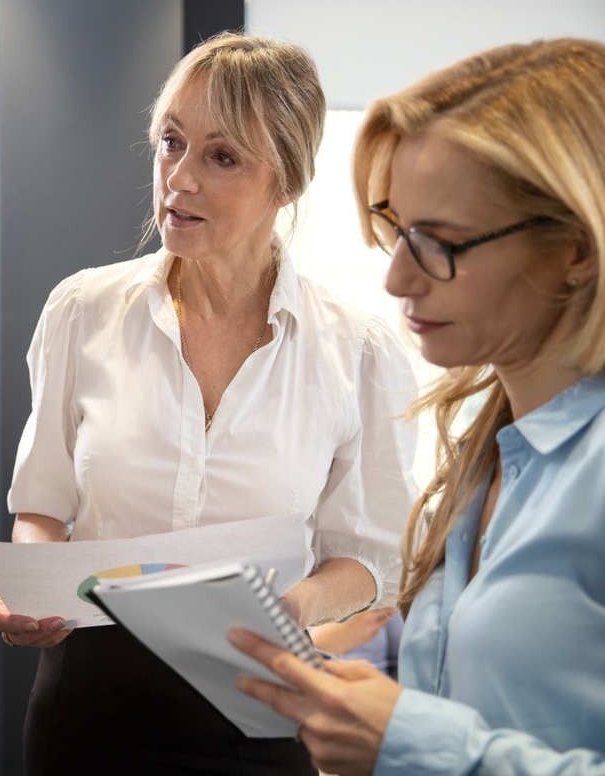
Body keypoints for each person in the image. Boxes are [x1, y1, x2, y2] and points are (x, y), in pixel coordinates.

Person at [0, 32, 418, 774]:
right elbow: (42, 509)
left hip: (260, 709)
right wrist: (29, 590)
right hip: (85, 714)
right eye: (171, 143)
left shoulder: (360, 351)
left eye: (222, 157)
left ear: (286, 183)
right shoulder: (82, 310)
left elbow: (373, 557)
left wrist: (297, 606)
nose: (178, 179)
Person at [230, 38, 605, 775]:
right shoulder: (489, 451)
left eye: (439, 243)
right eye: (399, 232)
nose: (398, 278)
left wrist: (410, 743)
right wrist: (359, 694)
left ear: (576, 249)